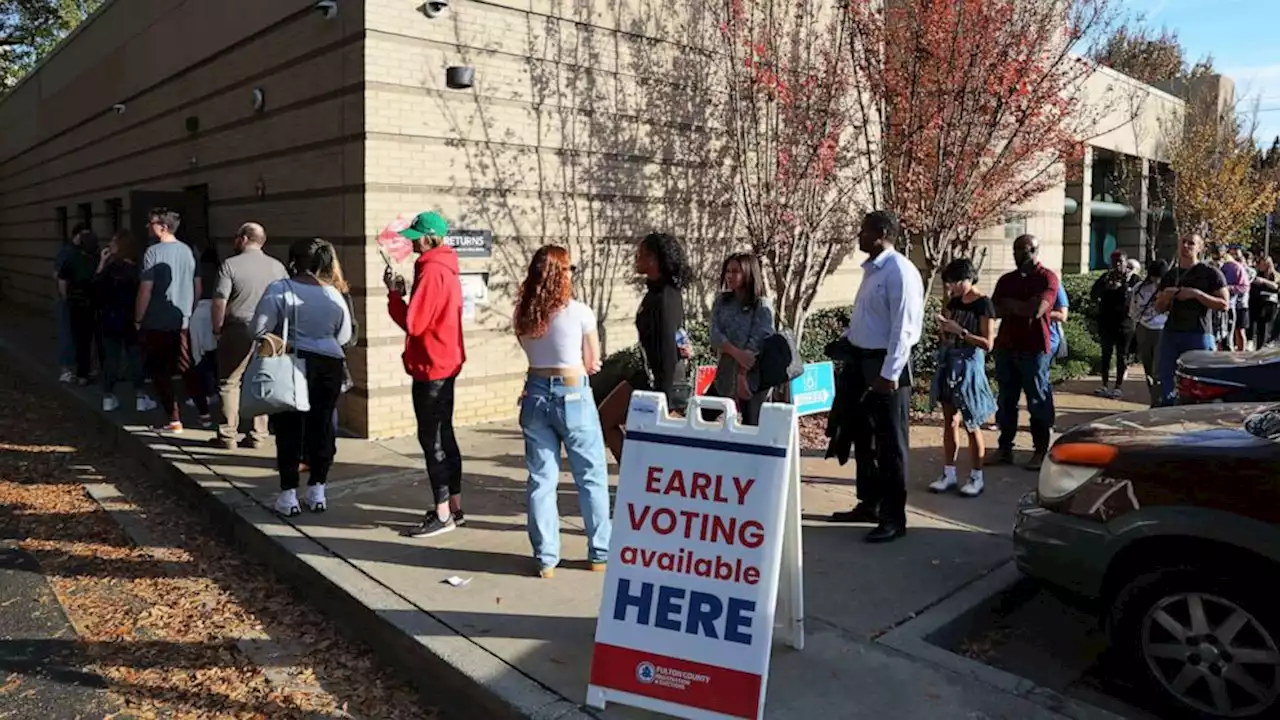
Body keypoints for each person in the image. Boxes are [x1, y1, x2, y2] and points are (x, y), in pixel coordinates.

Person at [513, 246, 612, 578]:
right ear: (561, 274)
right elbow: (592, 362)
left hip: (535, 392)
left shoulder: (523, 314)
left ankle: (546, 558)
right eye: (570, 269)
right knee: (591, 477)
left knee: (541, 480)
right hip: (572, 394)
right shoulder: (580, 312)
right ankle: (599, 552)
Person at [827, 211, 924, 544]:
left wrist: (889, 373)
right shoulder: (872, 271)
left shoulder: (900, 271)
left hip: (886, 369)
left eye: (864, 230)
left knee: (890, 445)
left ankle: (894, 517)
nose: (859, 235)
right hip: (862, 364)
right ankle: (870, 503)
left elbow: (904, 328)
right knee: (862, 439)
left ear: (881, 232)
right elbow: (871, 320)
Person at [252, 238, 352, 517]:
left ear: (292, 260)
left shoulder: (279, 289)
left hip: (293, 362)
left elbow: (257, 329)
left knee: (289, 429)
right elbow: (343, 336)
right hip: (330, 363)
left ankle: (288, 494)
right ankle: (318, 490)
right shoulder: (333, 293)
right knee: (322, 426)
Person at [386, 211, 467, 539]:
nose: (412, 240)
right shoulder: (446, 266)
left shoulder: (431, 270)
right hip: (446, 360)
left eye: (416, 235)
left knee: (431, 439)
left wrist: (394, 295)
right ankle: (455, 507)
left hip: (431, 365)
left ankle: (443, 514)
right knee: (445, 435)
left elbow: (415, 324)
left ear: (430, 236)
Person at [598, 232, 692, 461]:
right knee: (605, 420)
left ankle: (638, 476)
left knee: (607, 419)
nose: (636, 258)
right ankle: (635, 474)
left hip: (661, 382)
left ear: (654, 259)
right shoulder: (656, 293)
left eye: (641, 254)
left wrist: (665, 398)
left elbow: (671, 346)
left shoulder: (666, 297)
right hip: (648, 375)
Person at [210, 222, 288, 449]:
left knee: (230, 382)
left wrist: (217, 329)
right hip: (269, 333)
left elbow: (219, 302)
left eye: (236, 237)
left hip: (238, 328)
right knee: (262, 380)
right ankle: (257, 435)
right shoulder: (277, 267)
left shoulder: (230, 265)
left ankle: (227, 435)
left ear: (244, 238)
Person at [135, 208, 210, 432]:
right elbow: (198, 286)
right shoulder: (189, 251)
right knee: (187, 366)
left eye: (151, 223)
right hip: (183, 319)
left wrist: (138, 317)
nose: (148, 227)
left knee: (160, 371)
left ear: (163, 227)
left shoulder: (153, 253)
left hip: (157, 321)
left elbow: (145, 289)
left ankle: (174, 419)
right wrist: (190, 309)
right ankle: (204, 412)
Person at [990, 234, 1060, 471]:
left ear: (1034, 250)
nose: (1017, 254)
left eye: (1022, 250)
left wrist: (1012, 305)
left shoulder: (1047, 278)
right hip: (1006, 347)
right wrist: (1018, 306)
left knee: (1038, 400)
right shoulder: (1006, 279)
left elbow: (1037, 310)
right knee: (1006, 400)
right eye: (1015, 249)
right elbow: (994, 310)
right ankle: (1004, 448)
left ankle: (1040, 450)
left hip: (1034, 348)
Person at [928, 258, 996, 498]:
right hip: (950, 362)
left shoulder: (984, 304)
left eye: (956, 282)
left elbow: (988, 343)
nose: (953, 288)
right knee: (950, 420)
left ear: (968, 278)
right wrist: (944, 330)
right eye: (950, 283)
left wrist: (961, 331)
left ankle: (977, 476)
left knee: (972, 422)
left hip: (969, 366)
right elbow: (947, 333)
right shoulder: (955, 301)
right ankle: (949, 472)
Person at [1156, 234, 1229, 405]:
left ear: (1199, 248)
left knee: (1203, 377)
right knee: (1166, 375)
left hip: (1200, 333)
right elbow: (1158, 308)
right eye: (1183, 242)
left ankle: (1199, 412)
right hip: (1172, 332)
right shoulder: (1170, 275)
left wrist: (1196, 295)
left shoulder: (1210, 273)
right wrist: (1166, 297)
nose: (1186, 246)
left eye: (1191, 243)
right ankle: (1168, 410)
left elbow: (1224, 304)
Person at [707, 252, 775, 426]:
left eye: (736, 271)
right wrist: (734, 352)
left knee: (751, 425)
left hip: (753, 377)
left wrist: (742, 375)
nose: (730, 276)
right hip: (725, 373)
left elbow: (757, 343)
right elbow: (715, 334)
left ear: (748, 272)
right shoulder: (722, 301)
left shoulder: (761, 305)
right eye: (728, 271)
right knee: (703, 414)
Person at [95, 231, 153, 412]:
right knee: (134, 357)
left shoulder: (111, 269)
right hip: (131, 318)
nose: (110, 245)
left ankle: (108, 396)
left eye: (113, 242)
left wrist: (102, 263)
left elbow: (95, 289)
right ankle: (140, 395)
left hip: (110, 318)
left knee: (111, 359)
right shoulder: (137, 271)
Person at [1090, 250, 1139, 399]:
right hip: (1107, 322)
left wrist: (1124, 288)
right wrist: (1106, 288)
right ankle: (1104, 384)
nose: (1117, 265)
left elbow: (1138, 298)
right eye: (1114, 261)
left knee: (1121, 355)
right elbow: (1093, 294)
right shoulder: (1105, 277)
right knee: (1106, 354)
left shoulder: (1134, 279)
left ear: (1126, 262)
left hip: (1125, 323)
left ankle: (1118, 386)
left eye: (1120, 261)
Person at [56, 226, 99, 385]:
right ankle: (91, 369)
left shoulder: (72, 257)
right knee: (93, 338)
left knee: (80, 338)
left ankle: (81, 373)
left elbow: (62, 279)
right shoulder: (96, 259)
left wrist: (66, 297)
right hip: (93, 303)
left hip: (76, 302)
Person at [1129, 259, 1168, 408]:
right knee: (1147, 364)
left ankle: (1158, 400)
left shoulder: (1168, 289)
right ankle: (1153, 396)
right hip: (1143, 328)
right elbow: (1133, 309)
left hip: (1162, 329)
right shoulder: (1139, 288)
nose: (1156, 279)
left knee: (1158, 366)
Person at [1221, 246, 1251, 352]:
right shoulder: (1216, 266)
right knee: (1220, 337)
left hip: (1237, 305)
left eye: (1236, 254)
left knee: (1236, 332)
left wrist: (1229, 289)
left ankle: (1240, 356)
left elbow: (1245, 286)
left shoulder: (1238, 268)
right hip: (1218, 306)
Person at [1250, 256, 1278, 347]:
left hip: (1269, 302)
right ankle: (1257, 344)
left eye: (1263, 264)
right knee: (1257, 325)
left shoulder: (1274, 275)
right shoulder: (1257, 273)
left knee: (1265, 325)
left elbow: (1275, 286)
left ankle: (1263, 343)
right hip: (1257, 302)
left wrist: (1264, 281)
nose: (1261, 266)